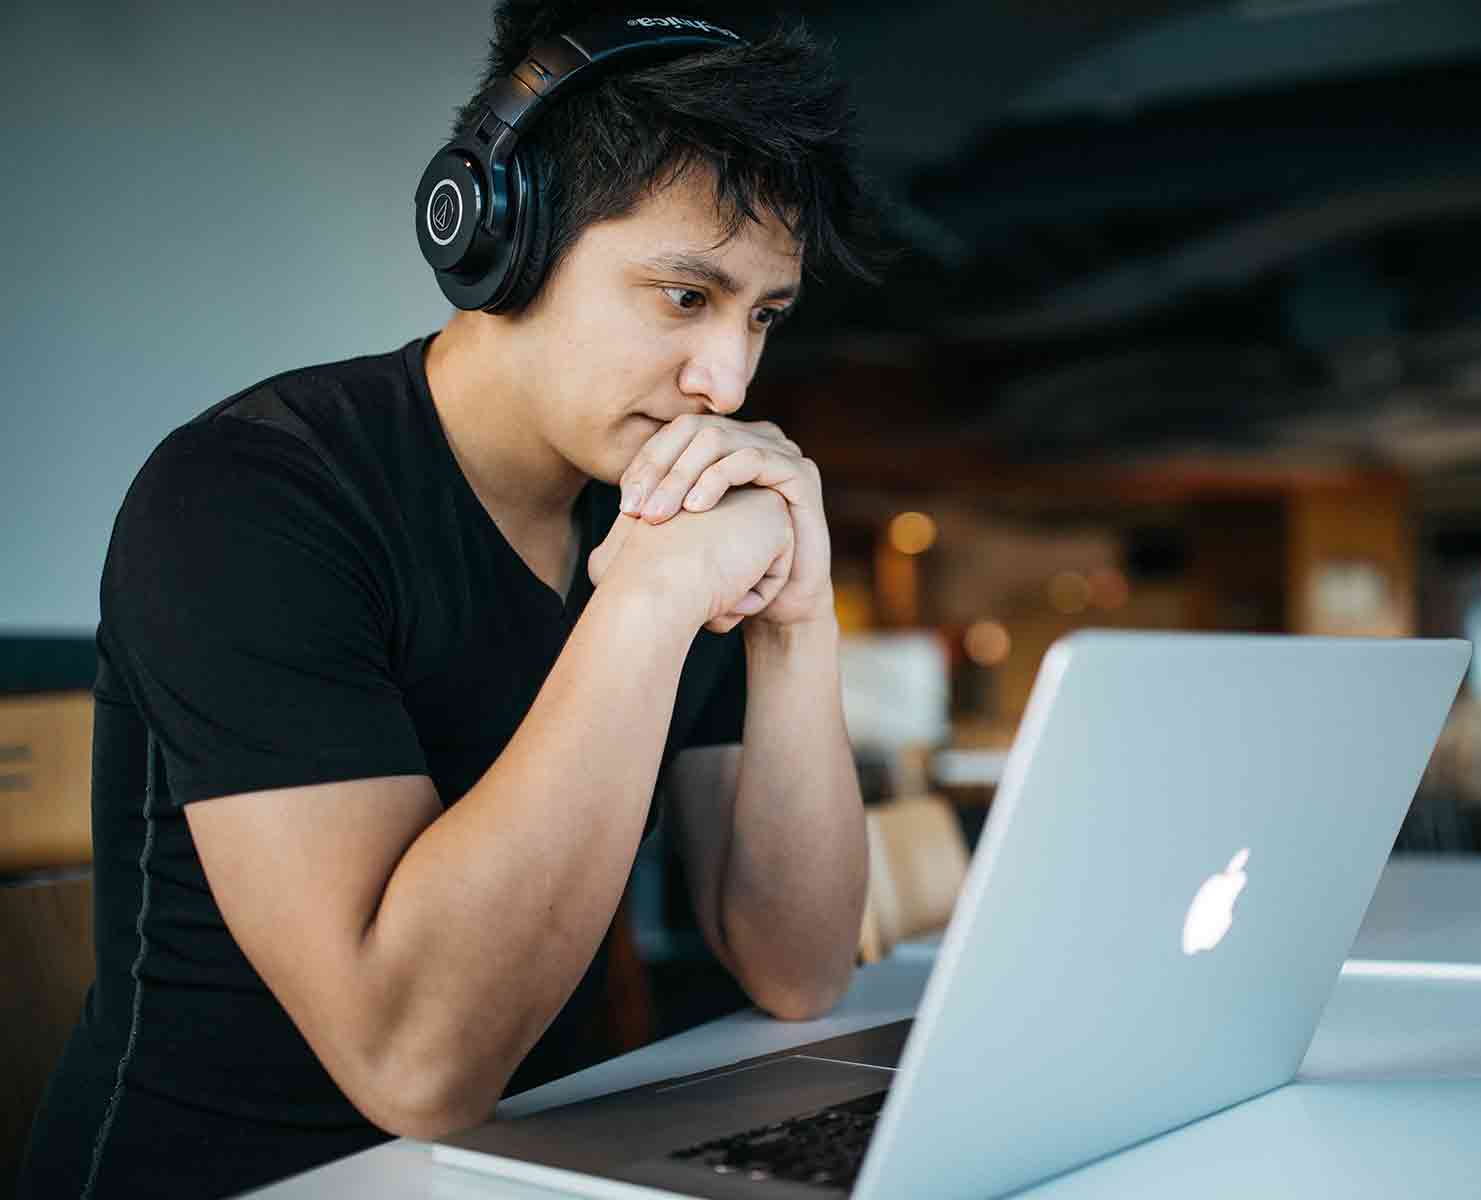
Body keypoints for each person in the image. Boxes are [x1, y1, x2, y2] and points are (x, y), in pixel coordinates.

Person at [20, 3, 876, 1196]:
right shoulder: (250, 497)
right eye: (686, 296)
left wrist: (798, 619)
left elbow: (799, 968)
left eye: (763, 317)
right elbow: (413, 1065)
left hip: (535, 1167)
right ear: (502, 238)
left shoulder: (666, 500)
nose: (725, 380)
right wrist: (640, 606)